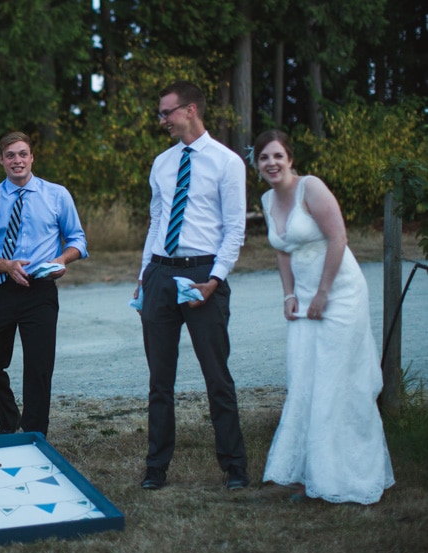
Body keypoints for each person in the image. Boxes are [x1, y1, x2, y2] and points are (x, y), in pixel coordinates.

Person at [255, 129, 395, 503]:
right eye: (264, 157)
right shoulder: (268, 200)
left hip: (340, 294)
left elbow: (339, 238)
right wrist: (288, 294)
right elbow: (283, 251)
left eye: (278, 156)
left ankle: (349, 477)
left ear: (290, 159)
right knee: (304, 380)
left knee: (337, 384)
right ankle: (311, 477)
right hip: (302, 300)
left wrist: (323, 293)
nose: (271, 163)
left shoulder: (311, 188)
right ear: (257, 165)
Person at [135, 81, 249, 491]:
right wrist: (144, 276)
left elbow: (235, 229)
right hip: (161, 276)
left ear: (191, 110)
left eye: (166, 112)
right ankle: (156, 468)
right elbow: (156, 222)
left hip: (204, 275)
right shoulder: (162, 163)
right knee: (159, 381)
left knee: (217, 377)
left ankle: (235, 466)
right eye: (161, 113)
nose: (161, 120)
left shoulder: (227, 162)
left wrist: (215, 280)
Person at [0, 131, 88, 437]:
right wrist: (6, 265)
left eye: (22, 154)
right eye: (10, 155)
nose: (17, 160)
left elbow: (78, 240)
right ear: (1, 161)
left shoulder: (57, 195)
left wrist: (62, 260)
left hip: (40, 290)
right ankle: (9, 422)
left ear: (32, 157)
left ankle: (35, 434)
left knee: (39, 366)